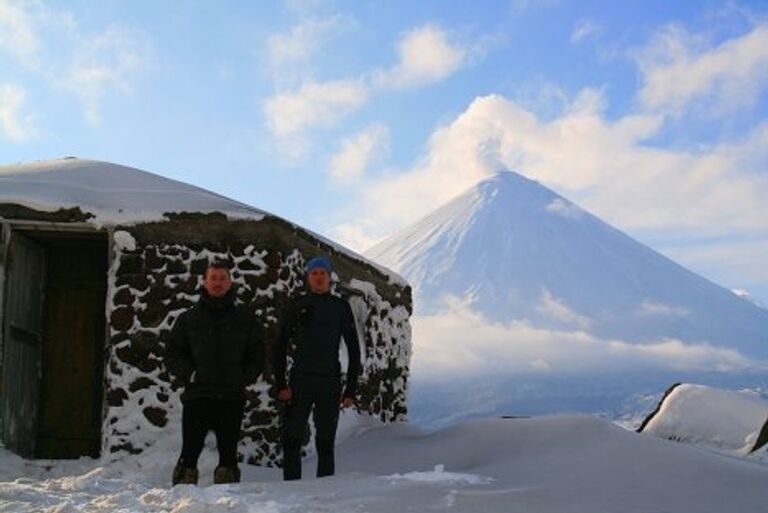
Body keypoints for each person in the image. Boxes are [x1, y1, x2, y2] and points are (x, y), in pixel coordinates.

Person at [165, 261, 264, 486]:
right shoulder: (188, 319)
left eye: (222, 278)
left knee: (228, 456)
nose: (217, 283)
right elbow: (173, 353)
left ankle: (228, 505)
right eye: (213, 278)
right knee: (189, 454)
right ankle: (182, 503)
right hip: (197, 395)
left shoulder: (245, 319)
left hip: (231, 397)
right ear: (205, 282)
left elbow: (257, 355)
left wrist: (243, 377)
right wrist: (189, 374)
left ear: (230, 283)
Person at [272, 255, 362, 480]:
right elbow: (280, 345)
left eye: (323, 273)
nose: (319, 277)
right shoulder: (297, 305)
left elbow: (354, 348)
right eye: (314, 273)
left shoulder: (340, 307)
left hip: (329, 382)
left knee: (326, 442)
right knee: (292, 440)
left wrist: (350, 389)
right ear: (308, 277)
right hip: (300, 380)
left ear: (329, 277)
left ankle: (324, 493)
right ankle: (292, 491)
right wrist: (281, 384)